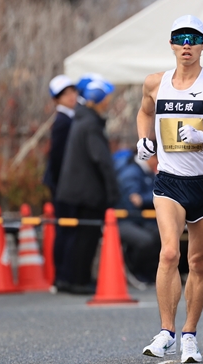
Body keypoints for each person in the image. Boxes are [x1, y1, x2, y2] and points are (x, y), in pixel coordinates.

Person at [137, 15, 203, 364]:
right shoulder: (155, 83)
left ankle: (190, 334)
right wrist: (144, 140)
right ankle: (166, 331)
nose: (186, 45)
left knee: (198, 261)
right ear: (171, 44)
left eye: (193, 39)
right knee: (169, 253)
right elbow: (144, 113)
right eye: (179, 38)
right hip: (169, 181)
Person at [56, 81, 120, 294]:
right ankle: (79, 280)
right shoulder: (91, 124)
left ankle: (69, 279)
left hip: (75, 189)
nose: (106, 105)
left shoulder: (81, 120)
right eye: (104, 101)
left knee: (76, 236)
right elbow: (102, 160)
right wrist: (112, 191)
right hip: (88, 191)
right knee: (86, 238)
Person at [43, 74, 79, 292]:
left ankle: (65, 276)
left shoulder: (69, 118)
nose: (71, 96)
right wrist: (59, 185)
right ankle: (62, 276)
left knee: (67, 229)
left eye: (73, 91)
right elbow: (56, 158)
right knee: (65, 229)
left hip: (64, 183)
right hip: (62, 185)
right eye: (65, 94)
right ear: (56, 99)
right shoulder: (63, 122)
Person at [115, 151, 160, 286]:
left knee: (161, 234)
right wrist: (148, 198)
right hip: (125, 220)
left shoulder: (146, 172)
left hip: (140, 219)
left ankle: (152, 273)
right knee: (145, 241)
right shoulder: (131, 172)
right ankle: (138, 272)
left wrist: (144, 199)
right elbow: (134, 200)